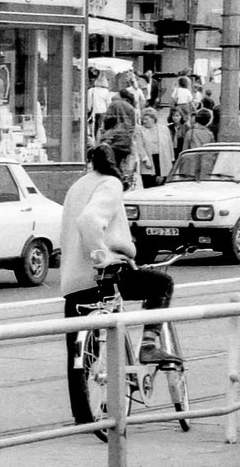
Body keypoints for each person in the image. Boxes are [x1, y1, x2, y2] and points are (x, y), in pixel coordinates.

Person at [60, 144, 176, 365]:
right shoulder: (110, 183)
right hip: (102, 279)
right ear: (123, 162)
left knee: (82, 364)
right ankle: (149, 346)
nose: (133, 167)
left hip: (73, 283)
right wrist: (101, 257)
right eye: (132, 161)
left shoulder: (78, 185)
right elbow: (89, 221)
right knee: (162, 284)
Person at [136, 107, 174, 187]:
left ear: (153, 119)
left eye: (146, 119)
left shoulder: (164, 129)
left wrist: (172, 159)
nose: (144, 121)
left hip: (163, 159)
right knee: (149, 185)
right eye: (143, 119)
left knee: (163, 185)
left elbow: (170, 144)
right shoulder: (140, 130)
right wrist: (145, 159)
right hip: (149, 160)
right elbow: (139, 146)